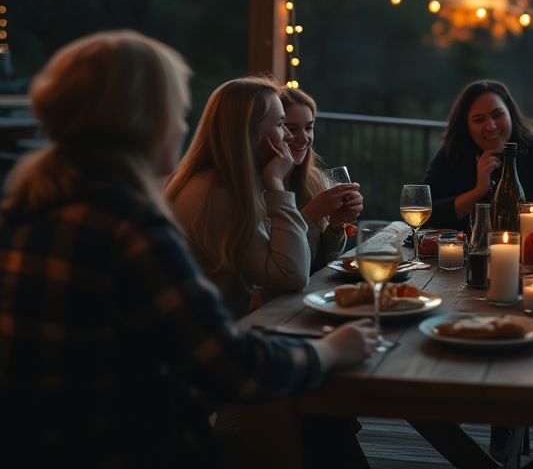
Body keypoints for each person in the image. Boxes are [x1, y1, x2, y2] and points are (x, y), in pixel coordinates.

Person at [0, 31, 376, 469]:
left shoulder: (26, 212)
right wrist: (329, 351)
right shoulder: (127, 227)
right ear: (141, 120)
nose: (183, 129)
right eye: (177, 113)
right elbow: (226, 364)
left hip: (42, 445)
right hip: (127, 446)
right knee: (324, 424)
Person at [167, 76, 325, 319]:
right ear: (248, 132)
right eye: (281, 123)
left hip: (244, 321)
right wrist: (275, 185)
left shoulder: (235, 184)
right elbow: (293, 275)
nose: (288, 136)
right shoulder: (213, 194)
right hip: (220, 336)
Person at [422, 80, 533, 231]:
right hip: (463, 254)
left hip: (528, 253)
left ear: (510, 113)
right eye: (479, 120)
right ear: (466, 125)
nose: (491, 126)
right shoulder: (452, 152)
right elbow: (423, 213)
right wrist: (478, 191)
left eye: (497, 115)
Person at [281, 86, 362, 272]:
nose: (304, 138)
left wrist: (335, 225)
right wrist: (311, 215)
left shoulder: (314, 180)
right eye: (292, 129)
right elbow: (283, 267)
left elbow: (327, 259)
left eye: (309, 128)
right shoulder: (261, 187)